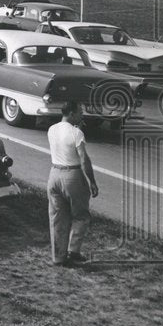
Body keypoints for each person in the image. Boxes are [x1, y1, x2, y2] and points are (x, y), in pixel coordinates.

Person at [47, 101, 99, 266]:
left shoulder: (52, 129)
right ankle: (73, 251)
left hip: (54, 174)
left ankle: (58, 257)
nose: (82, 114)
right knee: (81, 215)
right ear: (71, 113)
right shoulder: (76, 133)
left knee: (57, 217)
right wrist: (92, 182)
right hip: (72, 175)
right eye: (79, 111)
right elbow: (84, 159)